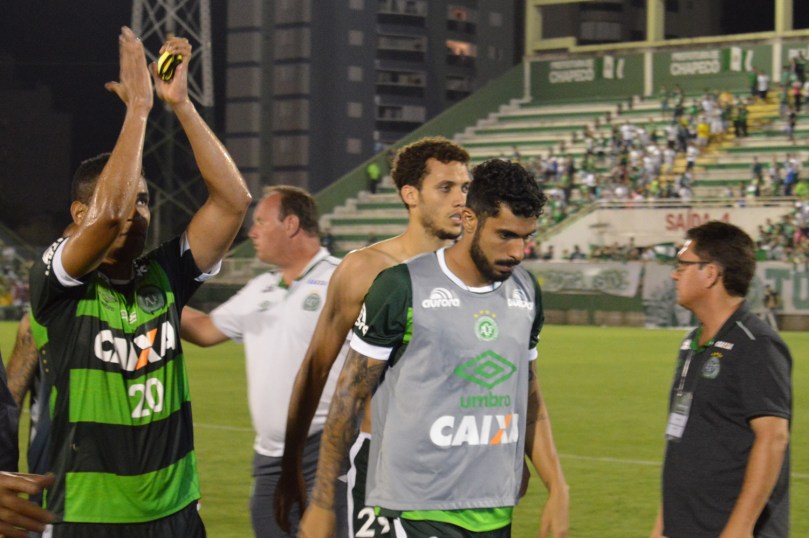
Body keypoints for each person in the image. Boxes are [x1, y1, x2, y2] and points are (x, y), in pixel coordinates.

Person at [27, 27, 251, 535]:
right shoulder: (58, 278)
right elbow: (107, 220)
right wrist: (138, 112)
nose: (135, 211)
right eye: (126, 197)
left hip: (175, 511)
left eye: (145, 200)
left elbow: (233, 202)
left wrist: (181, 105)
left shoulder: (165, 275)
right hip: (89, 513)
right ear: (78, 213)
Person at [301, 159, 569, 537]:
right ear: (469, 219)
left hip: (491, 512)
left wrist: (557, 486)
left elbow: (529, 399)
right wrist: (323, 501)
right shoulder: (401, 287)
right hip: (406, 509)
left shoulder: (525, 292)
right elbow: (349, 395)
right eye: (506, 235)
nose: (517, 252)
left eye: (526, 238)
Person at [274, 137, 471, 537]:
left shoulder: (475, 274)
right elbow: (315, 368)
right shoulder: (366, 269)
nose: (460, 200)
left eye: (465, 188)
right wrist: (292, 461)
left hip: (460, 466)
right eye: (446, 187)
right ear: (410, 195)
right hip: (383, 463)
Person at [180, 186, 348, 537]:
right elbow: (204, 329)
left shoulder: (342, 277)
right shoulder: (261, 288)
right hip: (271, 460)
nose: (252, 232)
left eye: (260, 222)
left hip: (327, 455)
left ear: (290, 224)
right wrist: (148, 296)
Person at [651, 221, 791, 538]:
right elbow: (682, 443)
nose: (675, 274)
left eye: (682, 266)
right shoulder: (691, 343)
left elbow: (773, 438)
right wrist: (662, 526)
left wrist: (739, 528)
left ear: (711, 273)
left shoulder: (756, 343)